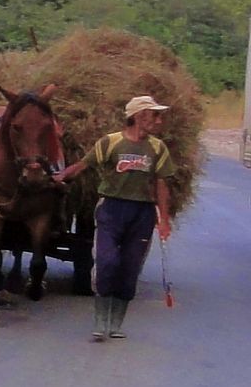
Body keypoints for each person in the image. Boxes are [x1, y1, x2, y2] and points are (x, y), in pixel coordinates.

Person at [53, 95, 175, 342]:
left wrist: (163, 220)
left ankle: (116, 323)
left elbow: (162, 184)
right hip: (111, 209)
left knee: (130, 268)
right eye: (154, 115)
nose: (159, 120)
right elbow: (83, 165)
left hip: (142, 213)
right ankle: (100, 321)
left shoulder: (158, 148)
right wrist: (59, 177)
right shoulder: (111, 143)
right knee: (107, 263)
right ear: (139, 116)